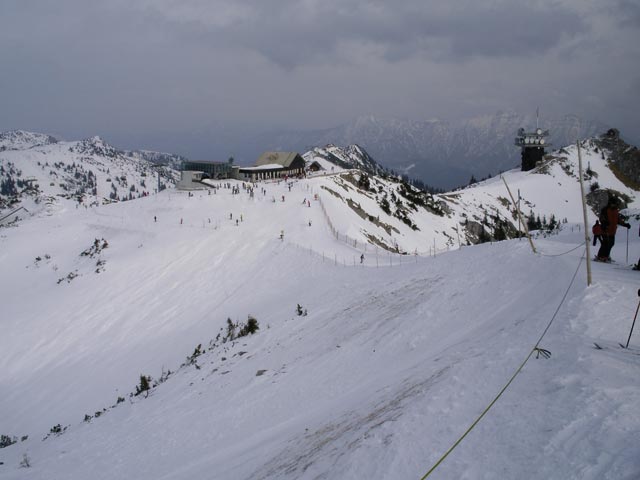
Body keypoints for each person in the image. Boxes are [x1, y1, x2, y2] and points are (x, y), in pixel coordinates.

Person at [596, 197, 630, 262]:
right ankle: (601, 256)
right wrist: (604, 224)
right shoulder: (605, 210)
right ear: (610, 203)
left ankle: (606, 255)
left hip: (612, 231)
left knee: (611, 244)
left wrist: (625, 224)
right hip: (605, 230)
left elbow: (618, 220)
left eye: (615, 204)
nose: (614, 205)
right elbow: (601, 218)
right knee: (606, 244)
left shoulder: (615, 211)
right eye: (613, 204)